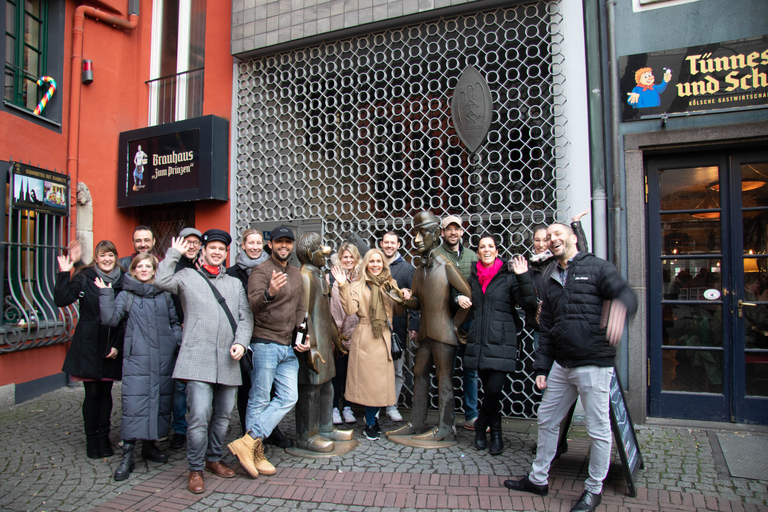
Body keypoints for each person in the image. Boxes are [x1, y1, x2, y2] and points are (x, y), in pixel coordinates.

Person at [503, 223, 638, 512]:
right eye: (548, 236)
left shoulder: (599, 268)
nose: (552, 239)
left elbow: (627, 295)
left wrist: (621, 307)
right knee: (547, 418)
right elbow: (547, 329)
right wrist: (541, 368)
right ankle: (538, 478)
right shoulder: (550, 277)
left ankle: (593, 489)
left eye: (557, 234)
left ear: (573, 238)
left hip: (593, 363)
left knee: (598, 429)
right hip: (562, 366)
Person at [154, 230, 253, 494]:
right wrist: (173, 253)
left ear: (226, 253)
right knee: (198, 416)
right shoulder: (187, 277)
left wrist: (241, 343)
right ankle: (195, 468)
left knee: (222, 417)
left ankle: (213, 458)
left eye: (222, 249)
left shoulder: (234, 283)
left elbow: (245, 317)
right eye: (213, 248)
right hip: (197, 358)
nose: (217, 252)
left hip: (228, 359)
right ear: (203, 250)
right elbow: (160, 280)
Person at [227, 226, 310, 478]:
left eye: (288, 242)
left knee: (288, 397)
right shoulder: (260, 271)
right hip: (264, 343)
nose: (283, 245)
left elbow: (301, 310)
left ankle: (248, 441)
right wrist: (270, 292)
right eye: (279, 242)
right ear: (270, 244)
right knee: (260, 398)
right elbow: (253, 304)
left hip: (288, 346)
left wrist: (303, 337)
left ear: (292, 245)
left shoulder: (296, 274)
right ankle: (255, 452)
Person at [96, 253, 182, 481]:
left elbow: (174, 322)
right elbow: (111, 320)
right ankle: (128, 453)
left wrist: (175, 342)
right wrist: (105, 293)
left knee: (160, 401)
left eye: (148, 266)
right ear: (133, 270)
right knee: (135, 404)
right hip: (138, 359)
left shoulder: (164, 295)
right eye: (139, 266)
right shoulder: (126, 295)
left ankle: (150, 446)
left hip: (163, 358)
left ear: (154, 270)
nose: (144, 269)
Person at [388, 211, 472, 442]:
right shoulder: (420, 270)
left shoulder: (446, 266)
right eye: (415, 232)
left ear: (436, 234)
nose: (416, 239)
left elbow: (467, 294)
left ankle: (446, 428)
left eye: (422, 232)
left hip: (444, 333)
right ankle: (417, 422)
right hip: (426, 332)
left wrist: (455, 325)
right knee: (419, 373)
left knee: (445, 378)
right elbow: (416, 301)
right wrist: (402, 299)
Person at [458, 234, 536, 456]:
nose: (486, 250)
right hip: (479, 342)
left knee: (493, 390)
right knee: (490, 393)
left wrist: (523, 277)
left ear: (497, 250)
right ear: (478, 251)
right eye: (482, 246)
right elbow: (457, 293)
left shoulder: (509, 276)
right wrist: (458, 299)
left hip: (502, 340)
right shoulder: (473, 276)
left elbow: (528, 302)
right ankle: (497, 436)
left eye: (490, 246)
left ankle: (481, 425)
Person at [55, 240, 124, 459]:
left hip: (111, 340)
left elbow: (125, 317)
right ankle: (91, 440)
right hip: (88, 339)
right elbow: (61, 299)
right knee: (92, 393)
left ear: (115, 257)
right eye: (103, 255)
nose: (107, 259)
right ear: (96, 258)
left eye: (111, 255)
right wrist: (64, 273)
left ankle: (104, 438)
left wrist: (117, 345)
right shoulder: (85, 277)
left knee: (106, 393)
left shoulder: (122, 280)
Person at [226, 228, 293, 449]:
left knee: (274, 389)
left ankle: (269, 429)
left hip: (270, 336)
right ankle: (248, 435)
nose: (254, 247)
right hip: (245, 336)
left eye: (258, 243)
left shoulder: (275, 267)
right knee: (249, 389)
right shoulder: (232, 273)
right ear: (243, 245)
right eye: (250, 243)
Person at [333, 249, 406, 440]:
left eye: (378, 261)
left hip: (383, 336)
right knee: (369, 384)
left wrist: (401, 296)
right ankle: (371, 422)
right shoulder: (358, 285)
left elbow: (398, 311)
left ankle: (372, 418)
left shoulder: (390, 283)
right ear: (366, 264)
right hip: (365, 336)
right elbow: (350, 309)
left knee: (380, 383)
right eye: (371, 261)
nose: (375, 264)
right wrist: (342, 286)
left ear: (383, 264)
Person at [435, 214, 479, 430]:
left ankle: (472, 415)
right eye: (448, 229)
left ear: (462, 232)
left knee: (470, 370)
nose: (453, 232)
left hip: (469, 322)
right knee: (446, 372)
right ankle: (448, 418)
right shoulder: (436, 255)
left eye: (457, 229)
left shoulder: (472, 255)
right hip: (445, 321)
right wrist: (455, 297)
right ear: (442, 233)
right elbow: (435, 287)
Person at [169, 227, 203, 451]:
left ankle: (199, 426)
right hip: (179, 330)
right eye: (187, 242)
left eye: (195, 242)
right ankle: (180, 429)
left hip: (200, 332)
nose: (192, 246)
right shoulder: (174, 267)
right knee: (180, 385)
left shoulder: (204, 266)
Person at [380, 231, 419, 422]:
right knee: (376, 368)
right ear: (381, 244)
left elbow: (413, 299)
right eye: (386, 242)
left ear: (398, 245)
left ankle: (392, 405)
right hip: (375, 327)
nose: (389, 245)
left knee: (396, 369)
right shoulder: (373, 265)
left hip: (398, 327)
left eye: (392, 243)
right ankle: (375, 404)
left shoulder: (407, 269)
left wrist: (415, 324)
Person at [328, 242, 362, 425]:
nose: (348, 260)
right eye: (345, 257)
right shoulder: (331, 278)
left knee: (352, 373)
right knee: (337, 373)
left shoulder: (361, 278)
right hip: (338, 332)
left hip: (356, 332)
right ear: (340, 259)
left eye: (351, 257)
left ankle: (347, 407)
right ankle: (334, 407)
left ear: (356, 259)